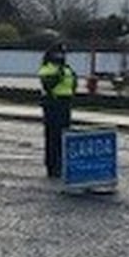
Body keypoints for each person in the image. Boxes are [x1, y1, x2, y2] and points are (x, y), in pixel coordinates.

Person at [38, 42, 77, 178]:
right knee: (53, 137)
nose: (61, 56)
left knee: (64, 136)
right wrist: (59, 74)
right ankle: (52, 166)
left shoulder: (66, 68)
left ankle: (61, 164)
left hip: (65, 104)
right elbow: (48, 84)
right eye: (59, 54)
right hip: (52, 105)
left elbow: (73, 82)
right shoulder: (47, 68)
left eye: (63, 54)